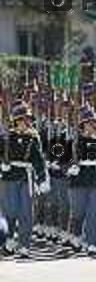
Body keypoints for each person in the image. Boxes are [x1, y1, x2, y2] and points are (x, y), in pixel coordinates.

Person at [0, 103, 49, 257]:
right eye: (22, 119)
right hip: (9, 177)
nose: (26, 122)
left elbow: (38, 159)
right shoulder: (7, 136)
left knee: (26, 212)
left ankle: (24, 244)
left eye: (27, 119)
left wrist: (42, 178)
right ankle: (9, 240)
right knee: (10, 211)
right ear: (16, 121)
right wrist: (2, 164)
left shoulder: (33, 137)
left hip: (26, 177)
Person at [66, 106, 96, 256]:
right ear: (83, 125)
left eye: (94, 123)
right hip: (78, 181)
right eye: (88, 123)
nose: (92, 125)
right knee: (78, 213)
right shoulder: (74, 141)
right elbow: (62, 157)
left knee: (95, 213)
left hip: (94, 180)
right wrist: (69, 167)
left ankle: (92, 243)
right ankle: (77, 236)